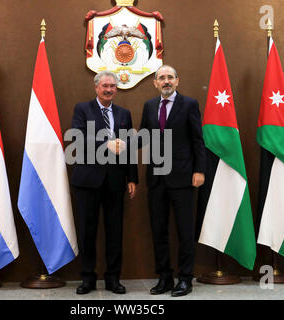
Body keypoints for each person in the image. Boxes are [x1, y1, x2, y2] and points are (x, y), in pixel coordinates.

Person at [139, 65, 206, 297]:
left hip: (184, 178)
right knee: (159, 231)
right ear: (155, 83)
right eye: (161, 78)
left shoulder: (189, 104)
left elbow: (198, 140)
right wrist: (122, 143)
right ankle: (165, 278)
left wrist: (200, 170)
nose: (166, 81)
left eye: (170, 77)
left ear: (177, 81)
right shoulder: (149, 106)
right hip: (156, 179)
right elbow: (143, 137)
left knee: (185, 231)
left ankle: (185, 279)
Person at [71, 71, 138, 294]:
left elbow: (128, 147)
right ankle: (88, 278)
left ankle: (113, 279)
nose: (109, 89)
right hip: (88, 180)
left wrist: (132, 178)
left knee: (114, 232)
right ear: (96, 87)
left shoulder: (123, 113)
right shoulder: (82, 109)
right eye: (105, 86)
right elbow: (78, 138)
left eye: (112, 86)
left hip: (115, 181)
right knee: (87, 232)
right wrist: (105, 144)